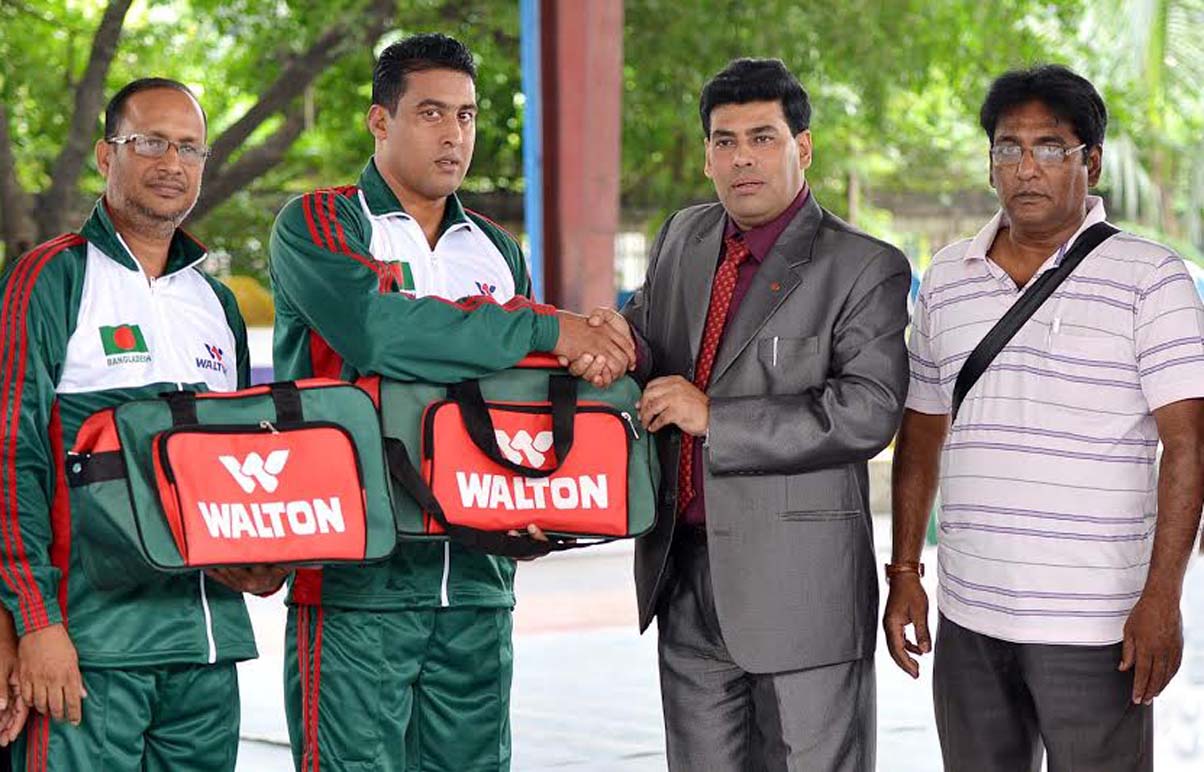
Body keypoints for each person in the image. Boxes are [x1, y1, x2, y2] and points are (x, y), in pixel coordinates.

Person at [268, 33, 633, 772]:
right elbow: (379, 333)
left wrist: (593, 348)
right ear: (380, 121)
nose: (453, 134)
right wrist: (545, 326)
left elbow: (521, 393)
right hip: (358, 576)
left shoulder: (494, 247)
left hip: (477, 578)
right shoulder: (319, 224)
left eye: (465, 116)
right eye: (431, 113)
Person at [883, 64, 1204, 772]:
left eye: (1049, 147)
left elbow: (1188, 446)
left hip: (1096, 624)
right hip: (970, 619)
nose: (1026, 167)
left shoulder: (1152, 279)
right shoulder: (946, 278)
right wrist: (905, 569)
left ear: (1090, 160)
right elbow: (924, 429)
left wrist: (1162, 599)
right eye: (1008, 148)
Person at [606, 57, 910, 771]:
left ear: (801, 148)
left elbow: (867, 411)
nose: (742, 157)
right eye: (723, 140)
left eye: (762, 137)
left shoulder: (863, 266)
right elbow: (648, 342)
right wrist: (608, 341)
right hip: (683, 577)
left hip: (803, 592)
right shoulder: (683, 237)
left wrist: (716, 416)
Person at [0, 77, 283, 771]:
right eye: (150, 142)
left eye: (189, 148)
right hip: (88, 649)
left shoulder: (215, 302)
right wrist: (36, 623)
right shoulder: (51, 278)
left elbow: (230, 469)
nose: (171, 163)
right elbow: (12, 459)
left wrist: (260, 553)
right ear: (105, 155)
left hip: (209, 650)